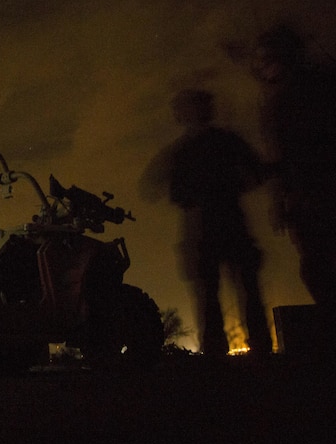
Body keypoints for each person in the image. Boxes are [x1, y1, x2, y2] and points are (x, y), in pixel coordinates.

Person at [140, 89, 272, 356]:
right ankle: (250, 348)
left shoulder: (186, 150)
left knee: (216, 292)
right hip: (217, 224)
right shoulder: (217, 143)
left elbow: (153, 186)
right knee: (226, 290)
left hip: (209, 225)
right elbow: (258, 172)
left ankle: (224, 351)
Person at [252, 23, 336, 324]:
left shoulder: (300, 95)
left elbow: (296, 151)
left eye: (267, 58)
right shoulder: (299, 91)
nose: (261, 66)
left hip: (317, 195)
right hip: (306, 197)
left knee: (319, 269)